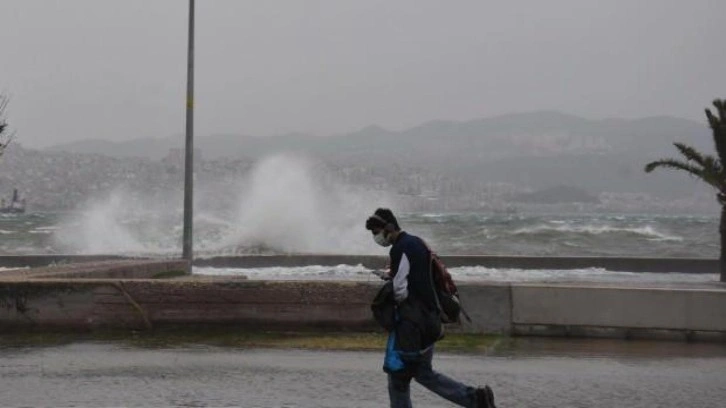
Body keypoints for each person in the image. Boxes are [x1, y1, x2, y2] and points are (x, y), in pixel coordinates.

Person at [365, 208, 497, 408]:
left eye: (377, 232)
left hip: (413, 325)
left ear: (390, 227)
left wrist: (392, 293)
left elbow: (401, 288)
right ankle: (475, 399)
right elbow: (418, 276)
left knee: (399, 377)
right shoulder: (416, 242)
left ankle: (475, 399)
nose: (377, 237)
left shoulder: (400, 248)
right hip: (429, 320)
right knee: (420, 373)